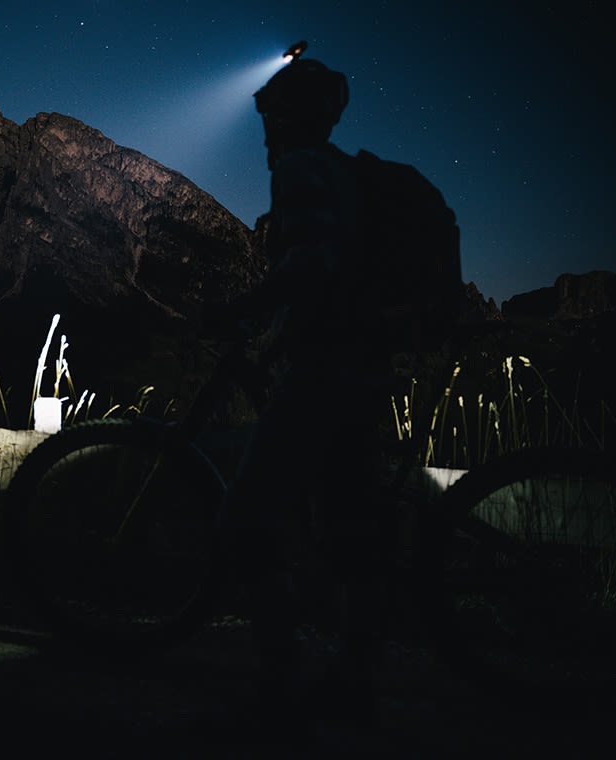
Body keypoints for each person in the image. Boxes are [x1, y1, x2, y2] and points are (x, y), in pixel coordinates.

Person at [226, 54, 400, 725]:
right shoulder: (345, 172)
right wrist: (279, 337)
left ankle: (279, 691)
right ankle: (355, 680)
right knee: (353, 526)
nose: (265, 130)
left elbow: (314, 264)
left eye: (271, 116)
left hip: (325, 373)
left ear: (294, 115)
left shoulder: (300, 167)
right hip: (363, 363)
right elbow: (340, 277)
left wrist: (243, 308)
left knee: (246, 523)